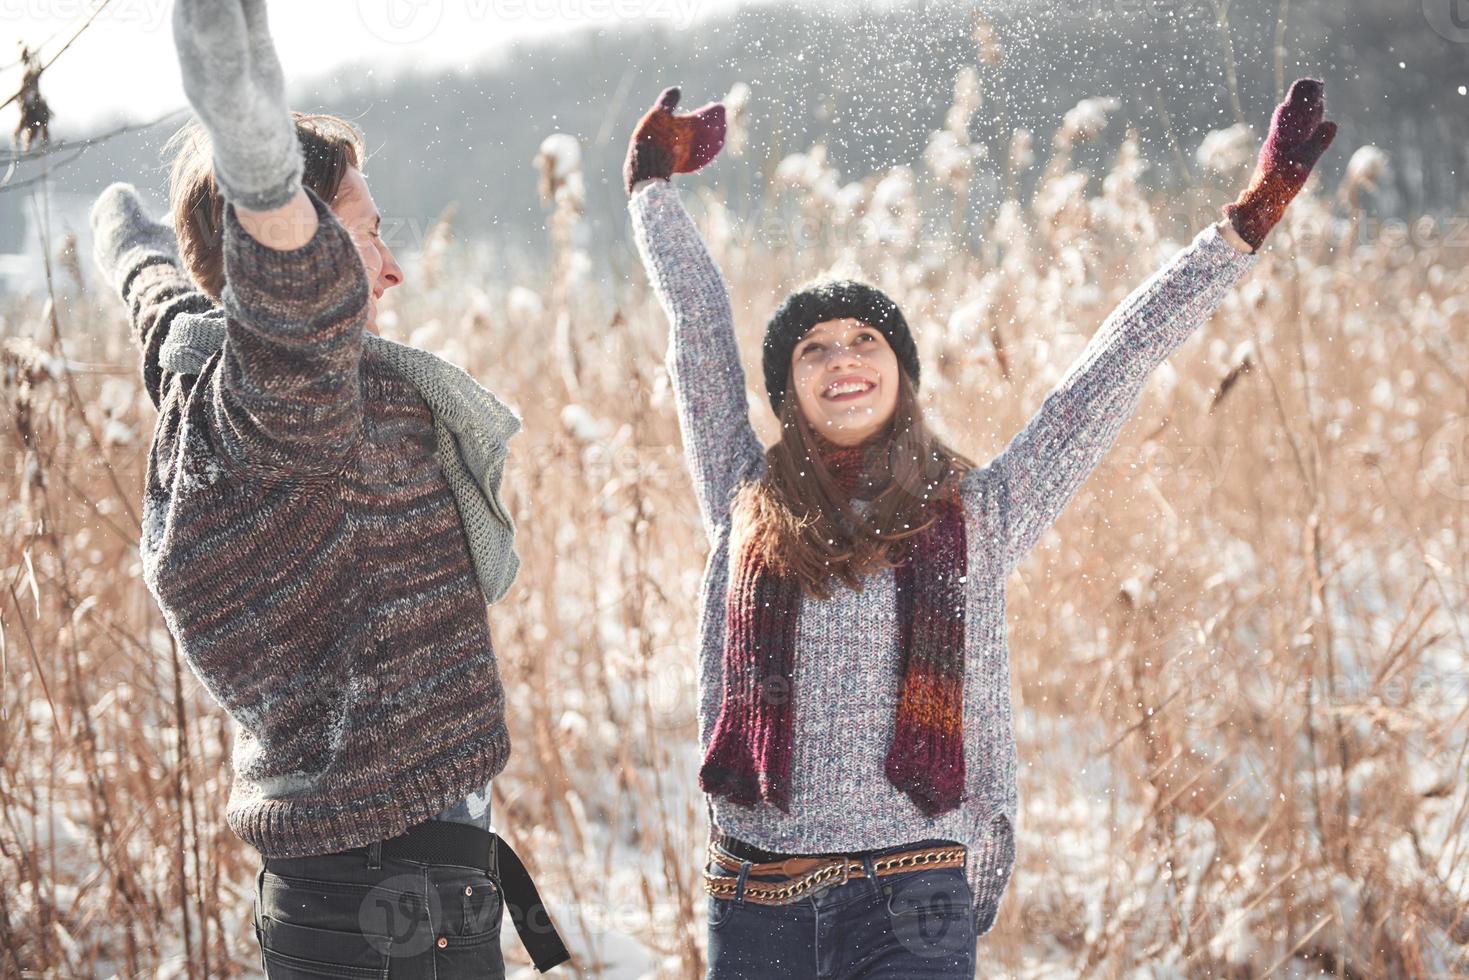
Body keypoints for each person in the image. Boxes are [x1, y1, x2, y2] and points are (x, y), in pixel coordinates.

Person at [624, 79, 1335, 978]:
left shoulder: (979, 515)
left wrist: (1244, 223)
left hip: (913, 898)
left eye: (864, 341)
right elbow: (695, 322)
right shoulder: (741, 496)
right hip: (760, 897)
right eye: (813, 349)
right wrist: (650, 189)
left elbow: (1108, 371)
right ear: (786, 393)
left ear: (901, 375)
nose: (841, 358)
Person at [87, 0, 569, 975]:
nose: (387, 270)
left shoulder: (209, 380)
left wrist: (123, 238)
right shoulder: (291, 391)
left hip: (351, 890)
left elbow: (159, 298)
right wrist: (230, 68)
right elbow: (262, 204)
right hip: (393, 909)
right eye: (359, 237)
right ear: (285, 264)